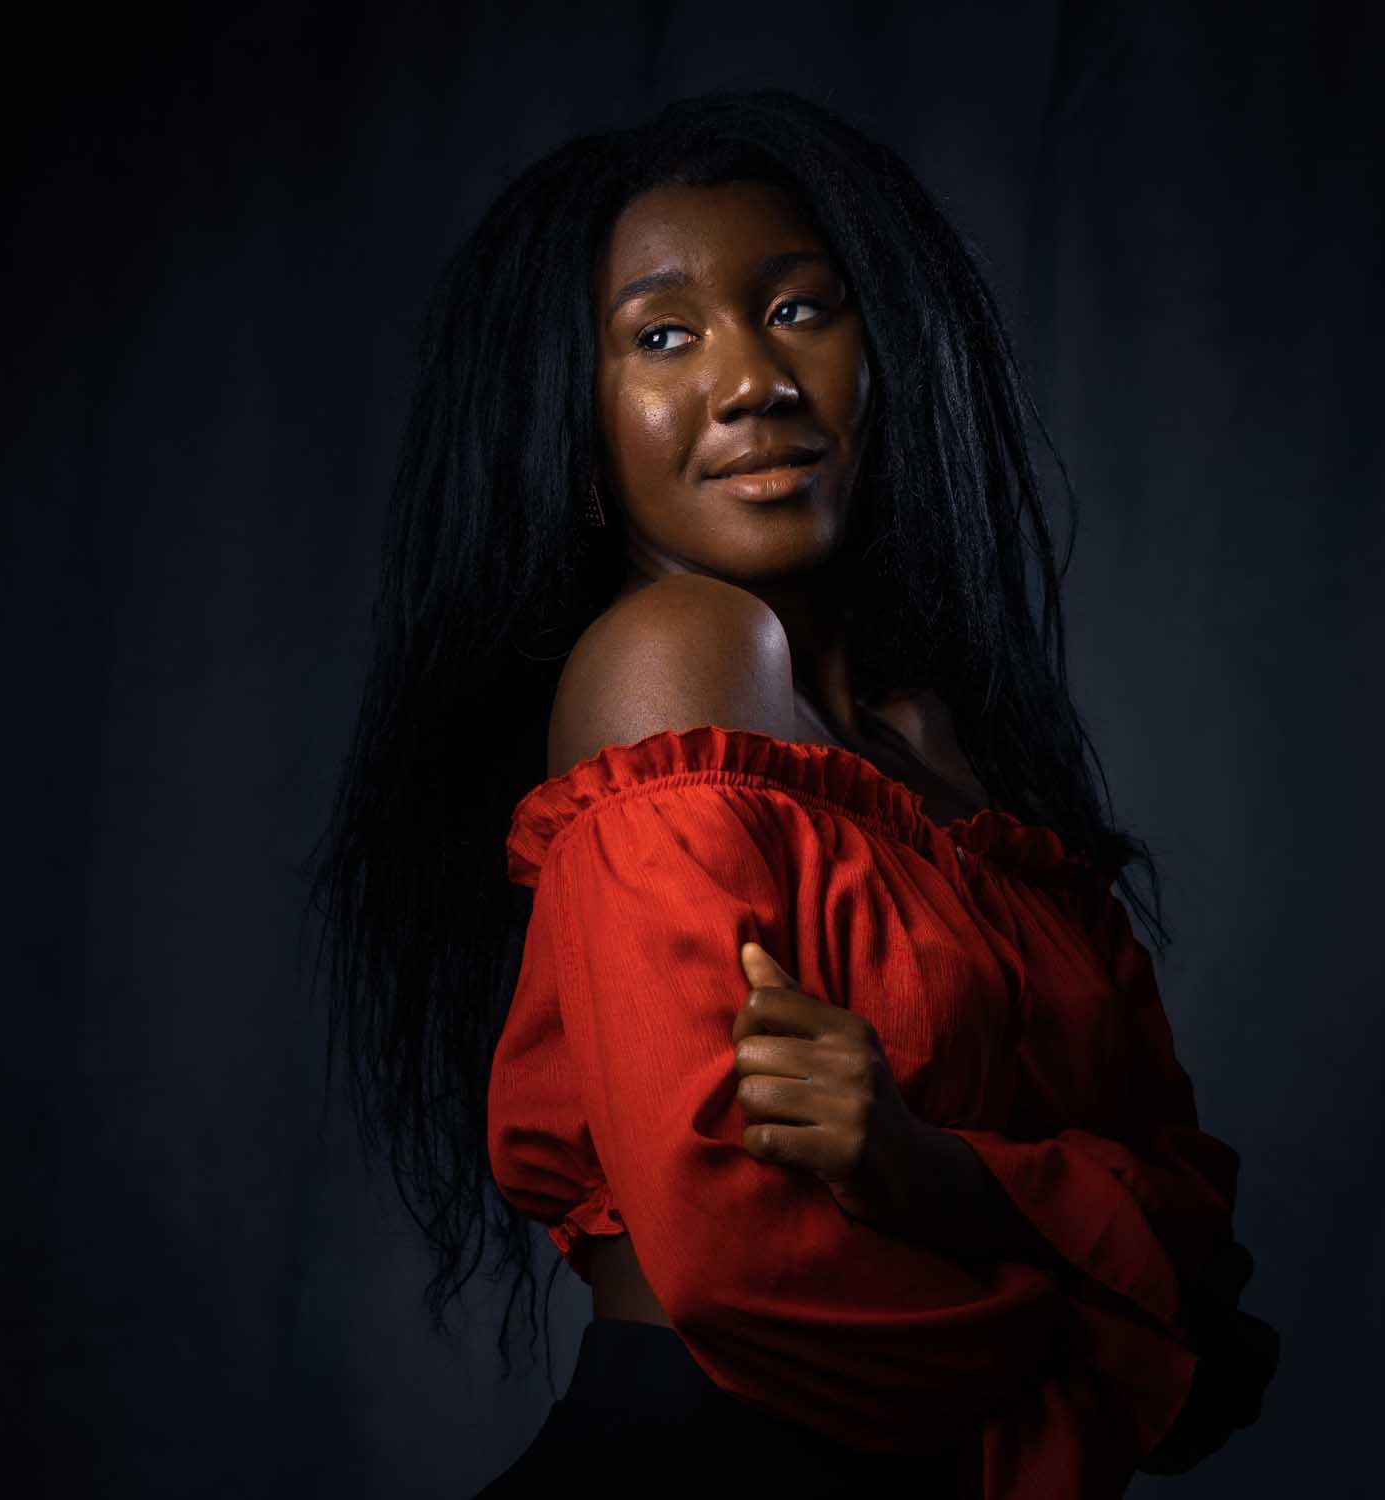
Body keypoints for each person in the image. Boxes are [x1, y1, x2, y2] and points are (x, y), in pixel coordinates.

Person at [306, 89, 1278, 1499]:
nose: (754, 379)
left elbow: (1192, 1222)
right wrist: (1103, 1308)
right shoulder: (675, 665)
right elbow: (739, 1264)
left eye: (802, 309)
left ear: (886, 356)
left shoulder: (960, 750)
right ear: (572, 432)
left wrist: (938, 1177)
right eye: (661, 335)